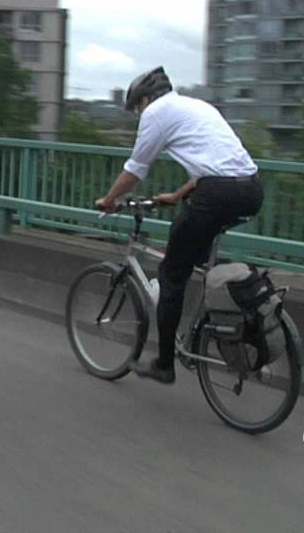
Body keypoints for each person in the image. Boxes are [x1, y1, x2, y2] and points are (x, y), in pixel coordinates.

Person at [95, 67, 263, 384]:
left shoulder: (155, 113)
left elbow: (135, 169)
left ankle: (164, 364)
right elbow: (213, 165)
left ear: (145, 99)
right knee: (194, 256)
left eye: (136, 108)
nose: (138, 114)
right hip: (251, 190)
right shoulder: (198, 106)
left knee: (171, 274)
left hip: (217, 193)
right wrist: (177, 195)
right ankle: (221, 314)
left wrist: (109, 199)